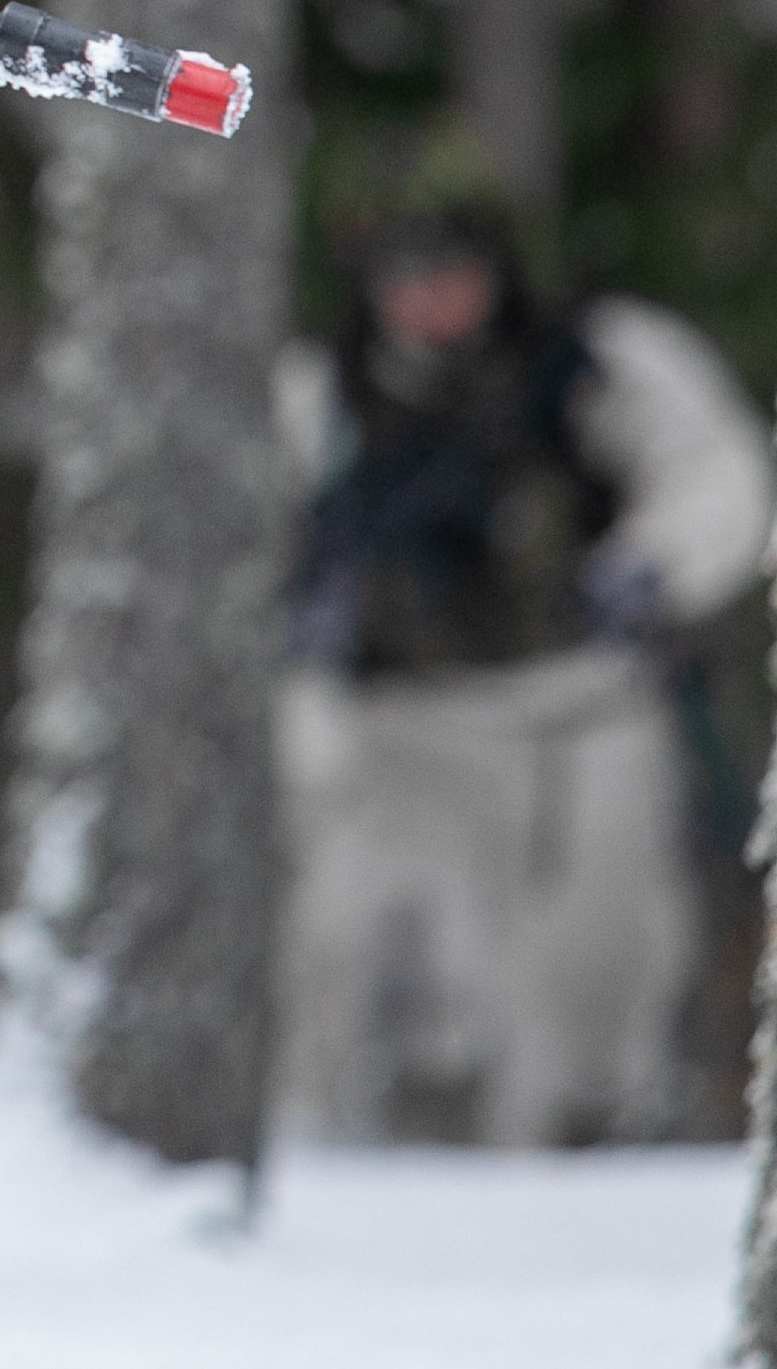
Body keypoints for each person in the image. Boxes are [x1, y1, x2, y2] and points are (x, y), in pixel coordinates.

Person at [275, 135, 773, 1147]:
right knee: (357, 941)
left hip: (577, 712)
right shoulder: (317, 394)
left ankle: (583, 1137)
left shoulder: (600, 361)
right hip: (395, 726)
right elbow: (234, 530)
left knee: (601, 955)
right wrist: (296, 609)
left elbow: (724, 474)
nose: (424, 297)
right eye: (399, 274)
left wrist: (651, 565)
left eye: (445, 268)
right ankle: (351, 1145)